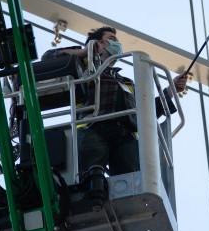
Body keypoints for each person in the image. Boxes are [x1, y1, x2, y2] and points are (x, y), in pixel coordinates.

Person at [42, 26, 188, 176]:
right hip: (93, 127)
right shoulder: (83, 69)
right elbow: (48, 57)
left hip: (126, 135)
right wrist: (85, 51)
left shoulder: (126, 82)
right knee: (88, 177)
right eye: (112, 39)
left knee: (133, 180)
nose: (117, 44)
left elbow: (147, 111)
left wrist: (171, 90)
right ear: (98, 43)